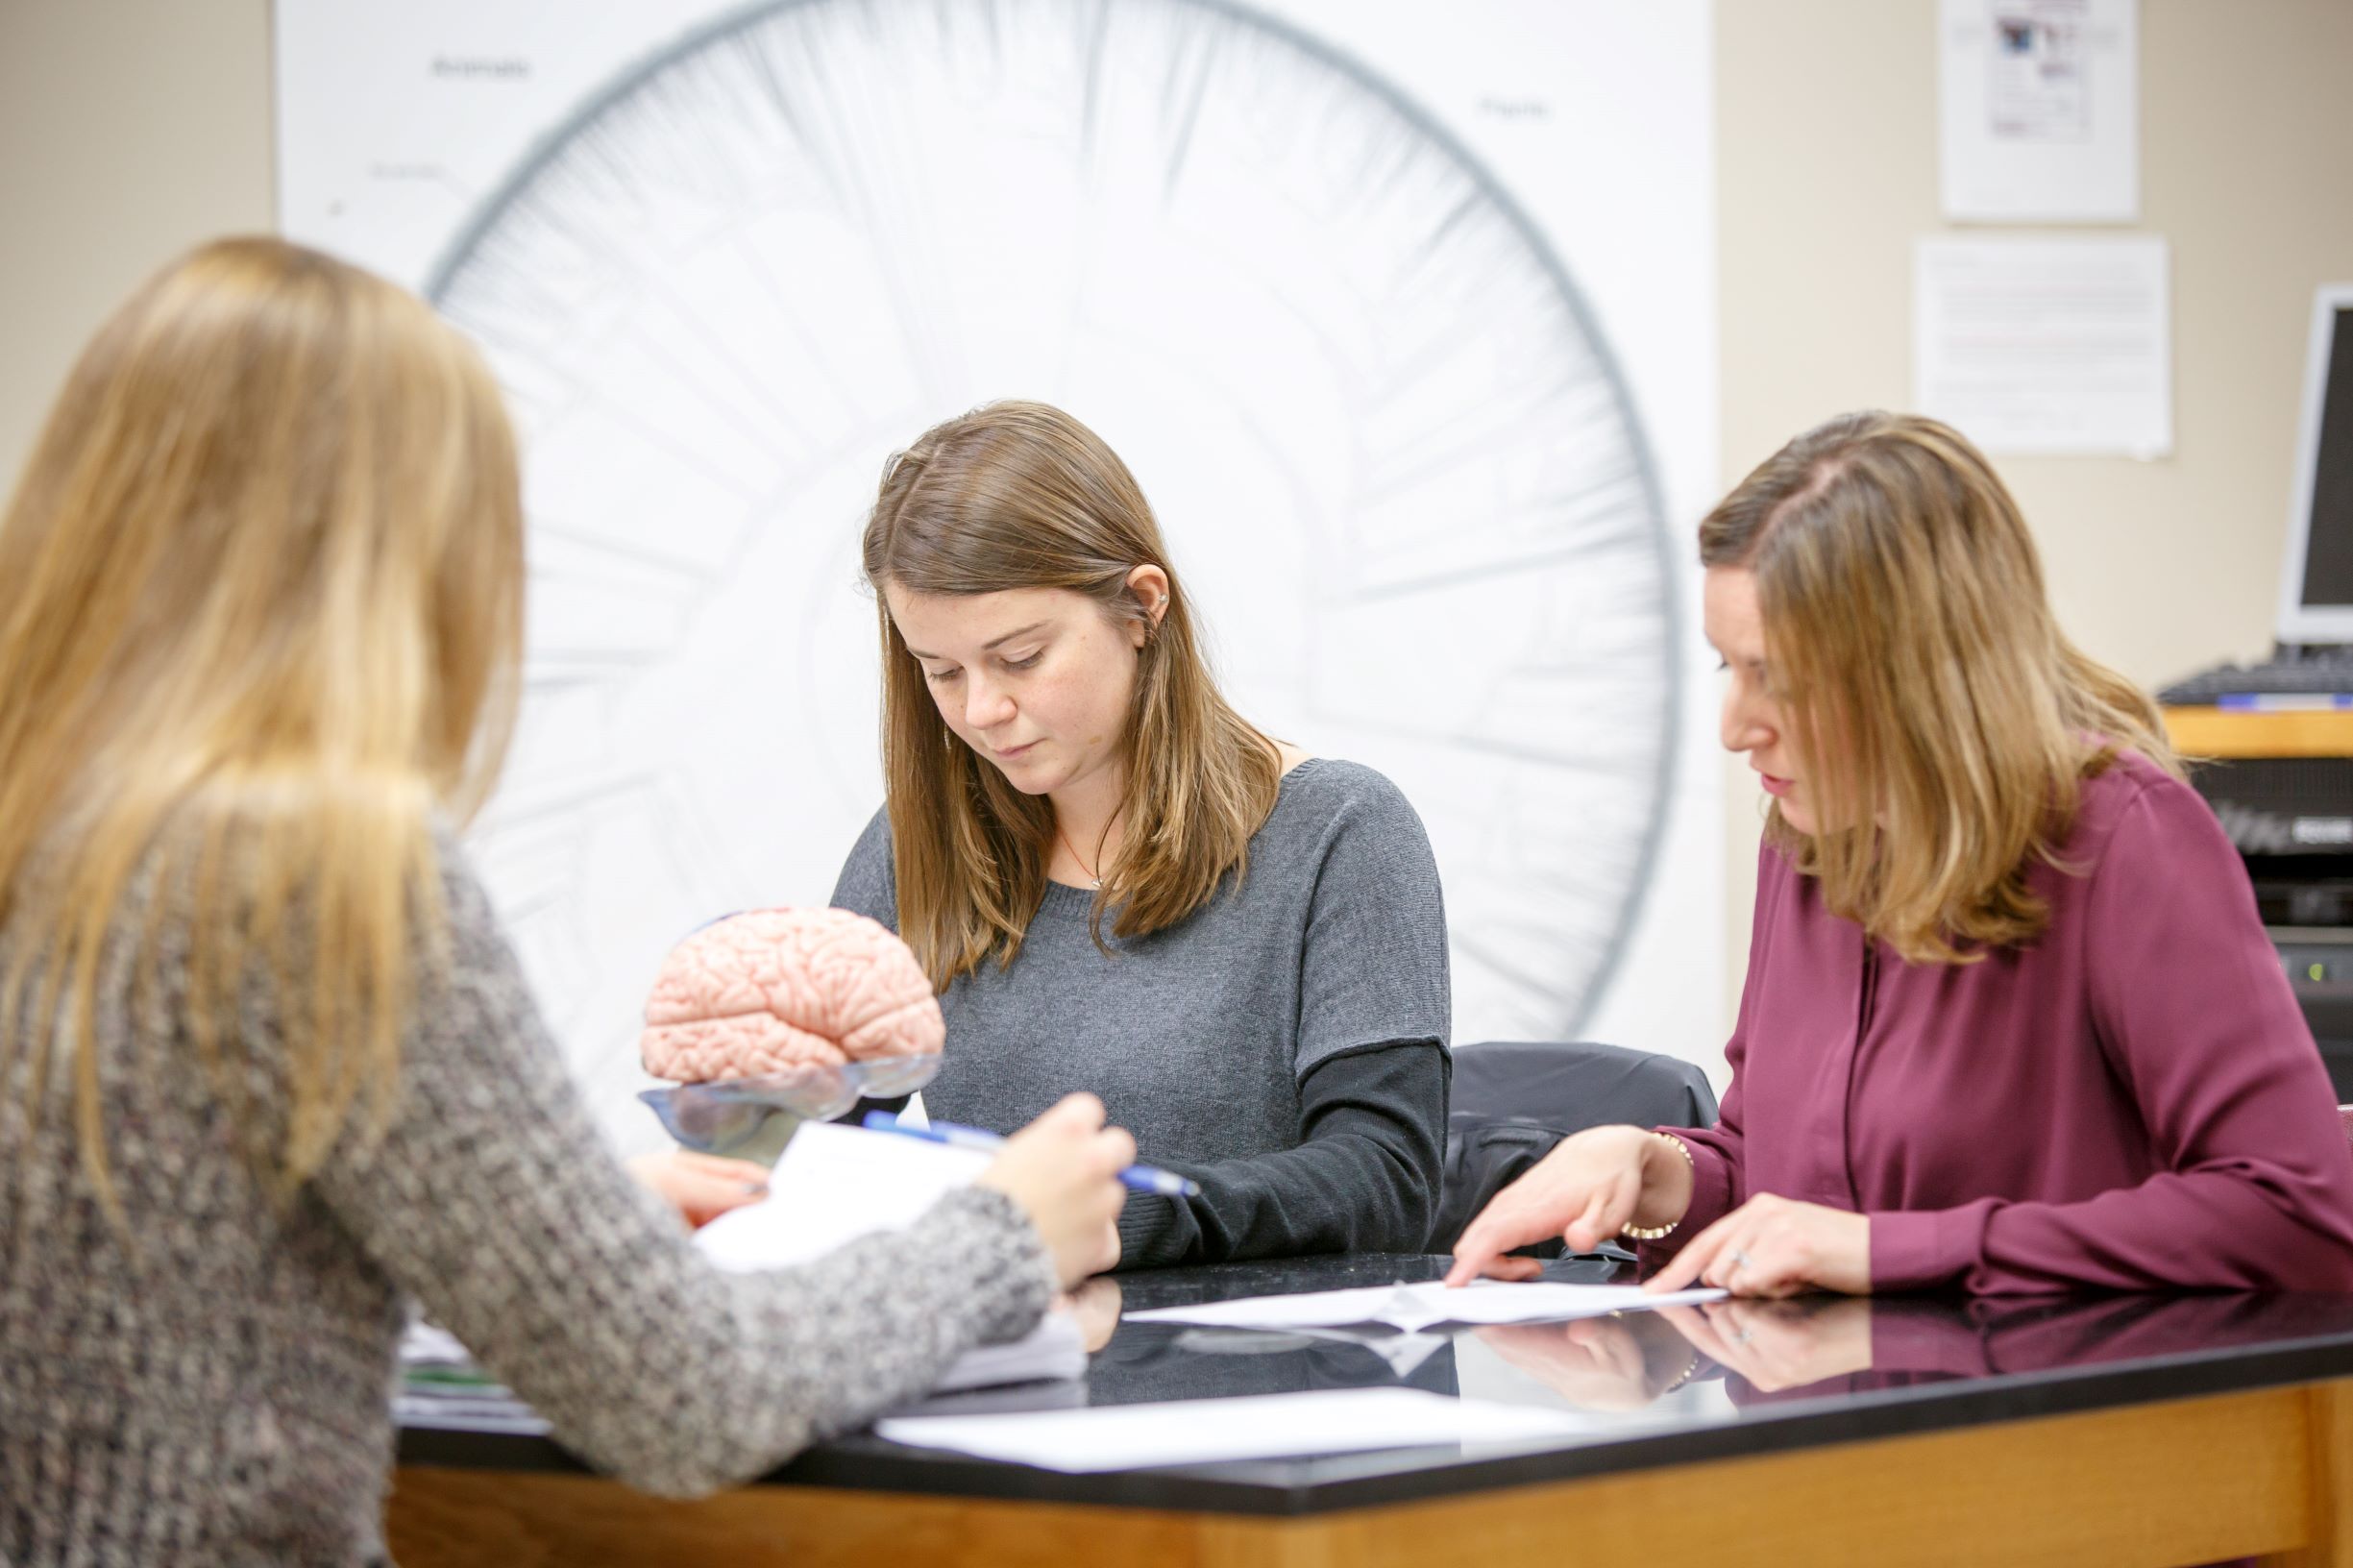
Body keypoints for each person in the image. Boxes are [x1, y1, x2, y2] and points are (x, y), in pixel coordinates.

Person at [0, 238, 1134, 1567]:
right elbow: (684, 1394)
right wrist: (1001, 1234)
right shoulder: (319, 876)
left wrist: (563, 1230)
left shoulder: (50, 824)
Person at [1448, 410, 2353, 1297]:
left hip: (2050, 1396)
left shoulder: (2120, 833)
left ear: (1920, 674)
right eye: (1731, 668)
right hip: (1837, 1391)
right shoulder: (1805, 841)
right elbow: (1786, 1183)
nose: (1735, 727)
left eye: (1779, 678)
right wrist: (1658, 1174)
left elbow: (2300, 1215)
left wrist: (1895, 1250)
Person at [832, 401, 1451, 1269]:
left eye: (1020, 658)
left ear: (1141, 607)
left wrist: (1117, 1222)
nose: (982, 710)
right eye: (942, 672)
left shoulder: (1340, 832)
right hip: (1014, 1340)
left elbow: (1385, 1181)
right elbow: (825, 1152)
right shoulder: (915, 844)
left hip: (1256, 1347)